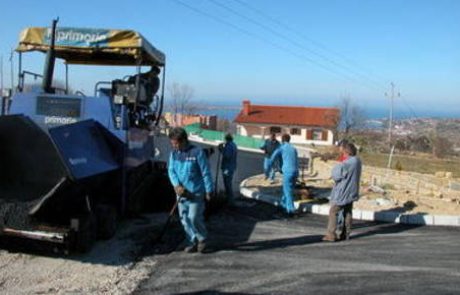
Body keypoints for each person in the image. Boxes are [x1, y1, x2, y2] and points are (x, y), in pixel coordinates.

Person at [167, 127, 214, 253]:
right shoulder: (174, 154)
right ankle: (192, 241)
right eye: (172, 143)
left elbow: (206, 173)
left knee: (193, 217)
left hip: (196, 193)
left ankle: (202, 238)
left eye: (176, 143)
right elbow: (171, 171)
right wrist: (176, 185)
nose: (174, 146)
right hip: (181, 194)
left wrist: (209, 190)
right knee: (184, 220)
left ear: (183, 141)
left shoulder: (197, 153)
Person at [323, 142, 362, 242]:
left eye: (342, 150)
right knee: (347, 211)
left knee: (334, 211)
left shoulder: (346, 164)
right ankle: (346, 233)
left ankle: (331, 234)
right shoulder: (357, 161)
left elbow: (336, 176)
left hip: (343, 191)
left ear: (346, 151)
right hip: (352, 191)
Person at [268, 134, 299, 216]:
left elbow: (272, 158)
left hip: (288, 172)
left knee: (287, 191)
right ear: (289, 140)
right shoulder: (294, 148)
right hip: (295, 172)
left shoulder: (281, 148)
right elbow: (296, 160)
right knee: (289, 189)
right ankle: (282, 204)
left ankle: (291, 209)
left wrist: (272, 166)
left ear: (282, 140)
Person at [219, 133, 238, 205]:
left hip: (227, 167)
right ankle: (229, 199)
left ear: (226, 139)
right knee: (228, 183)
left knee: (227, 184)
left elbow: (227, 156)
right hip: (231, 167)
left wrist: (221, 149)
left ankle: (230, 201)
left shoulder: (229, 146)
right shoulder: (233, 145)